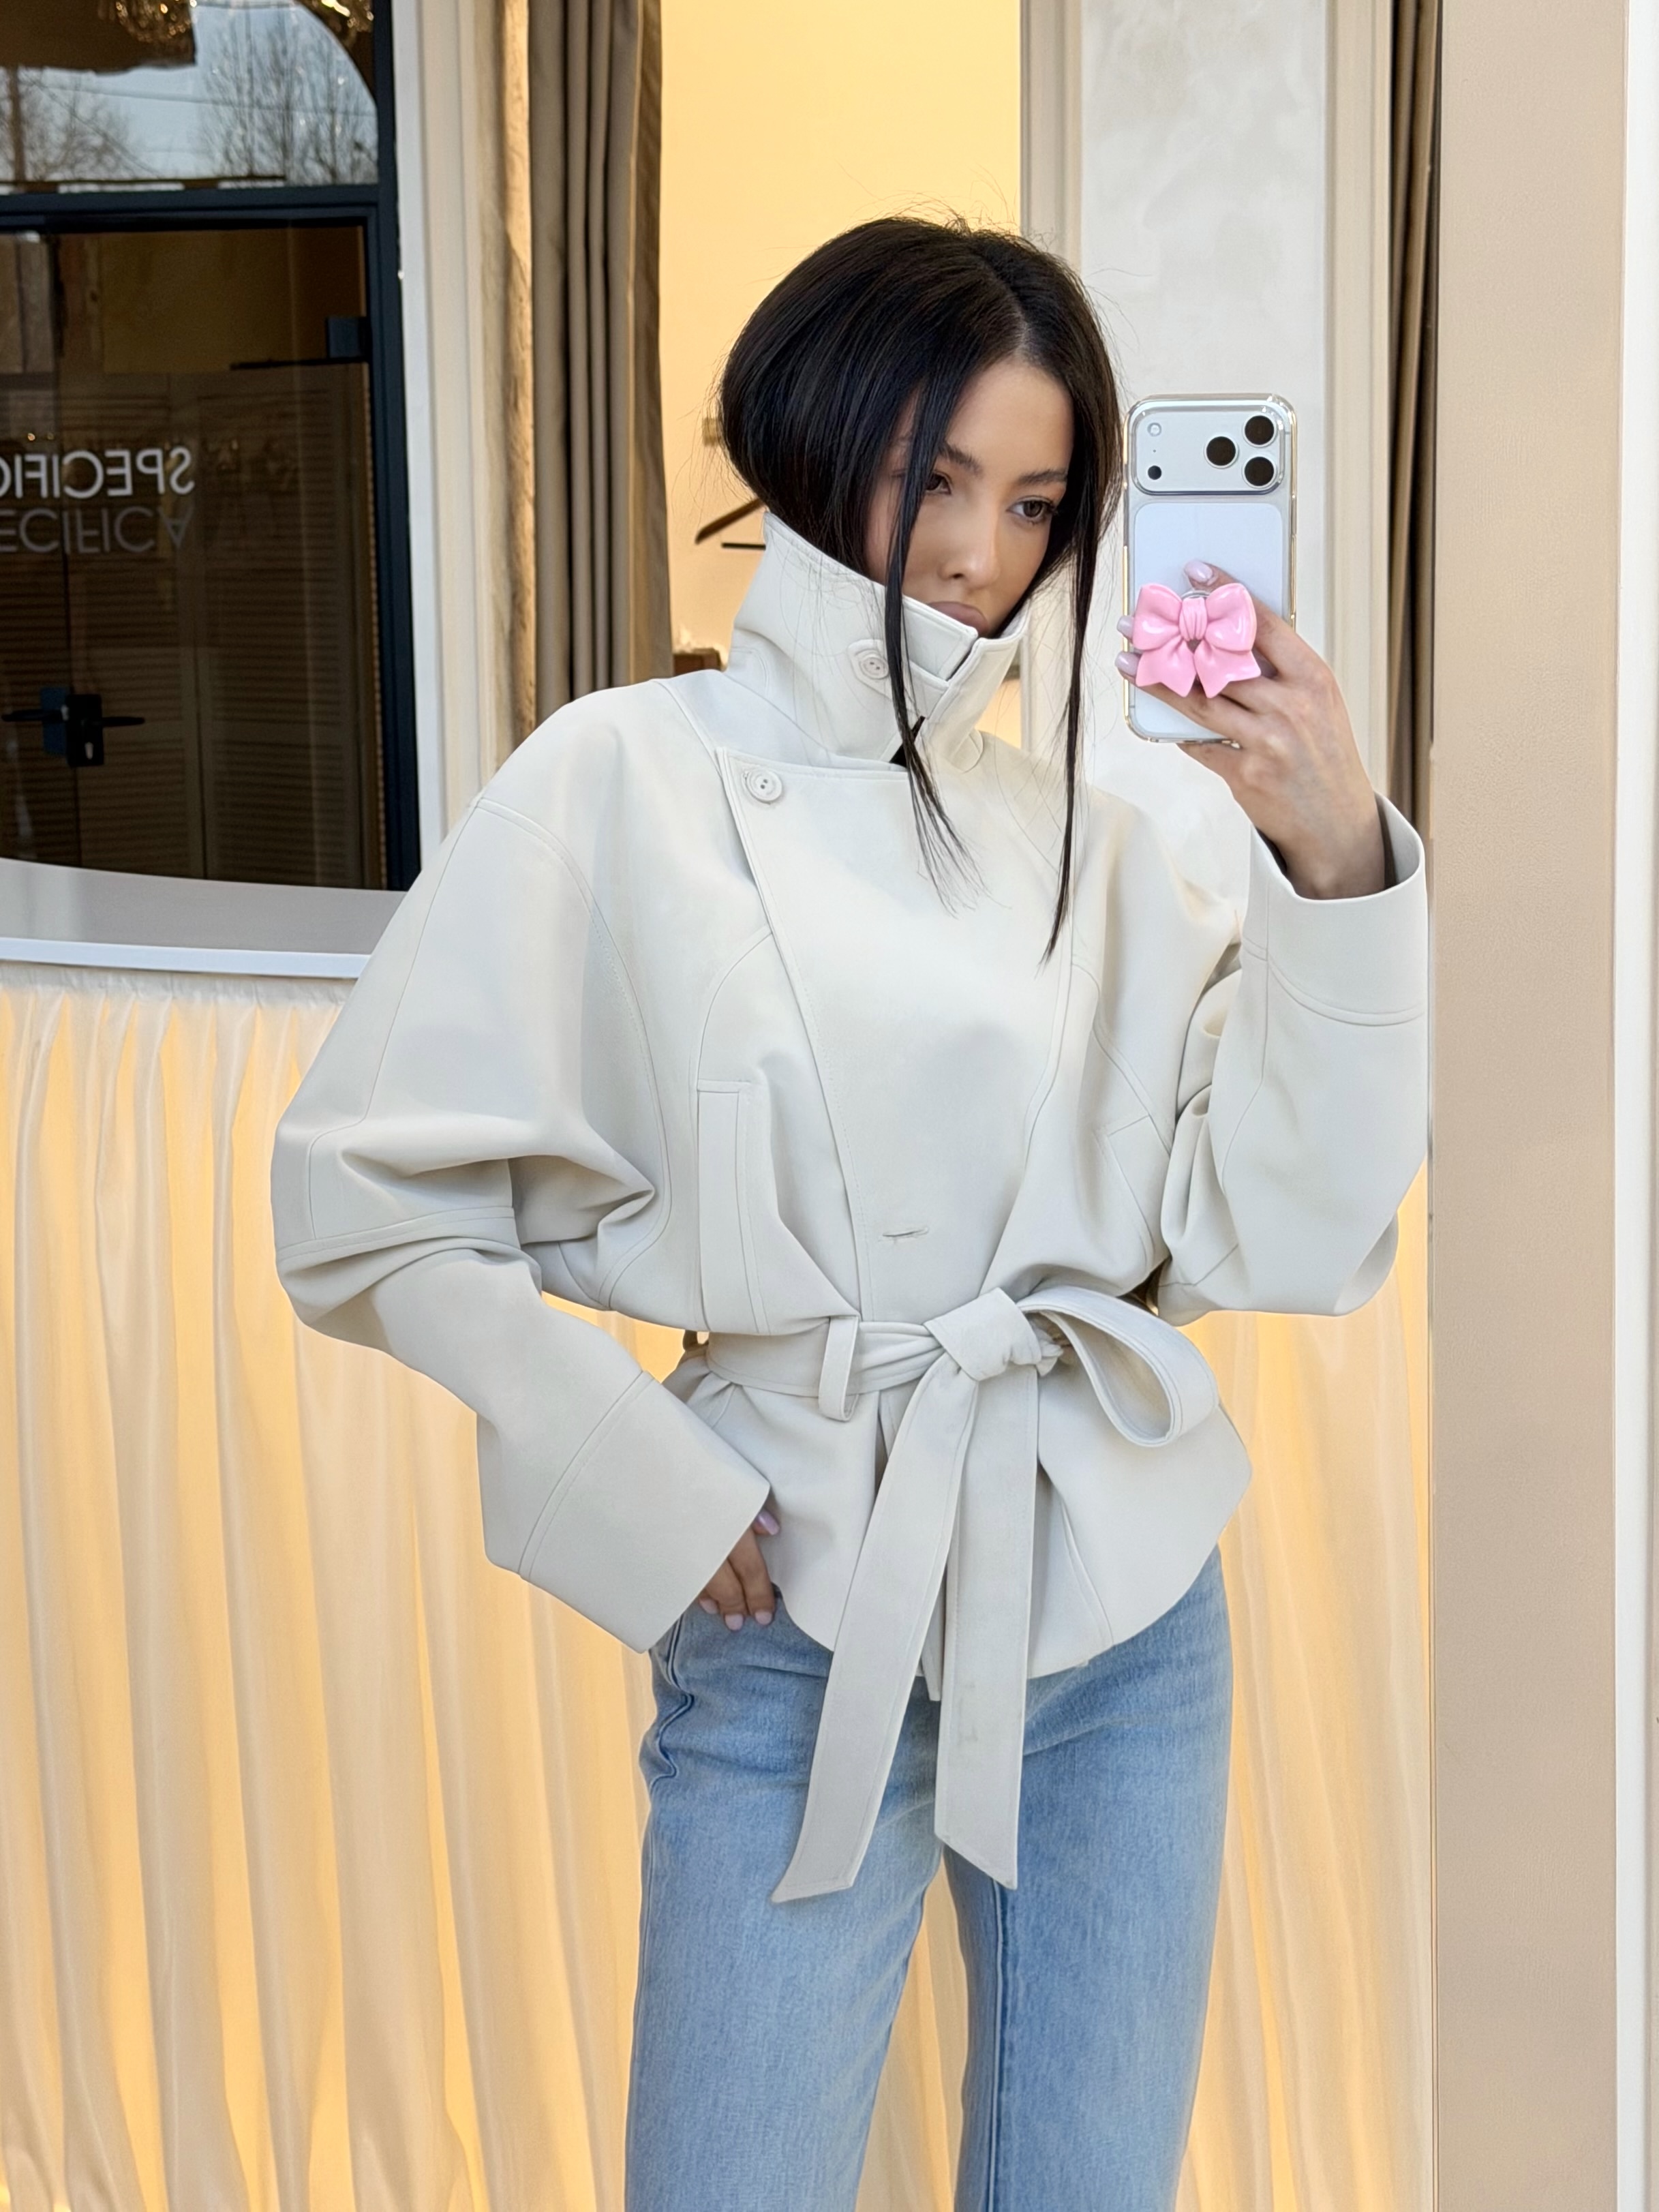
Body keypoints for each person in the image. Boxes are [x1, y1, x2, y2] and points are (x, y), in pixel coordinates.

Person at [271, 217, 1426, 2211]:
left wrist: (1330, 863)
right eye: (932, 477)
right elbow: (360, 1200)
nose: (978, 550)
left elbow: (1287, 1235)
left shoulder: (1109, 827)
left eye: (1037, 503)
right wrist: (636, 1468)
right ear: (809, 441)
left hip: (1124, 1605)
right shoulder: (619, 775)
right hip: (800, 1591)